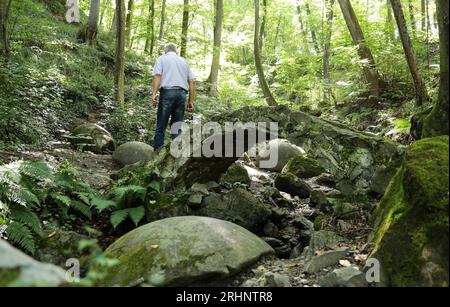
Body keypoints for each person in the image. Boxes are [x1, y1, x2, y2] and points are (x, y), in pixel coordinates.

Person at [152, 44, 196, 150]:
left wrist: (154, 93)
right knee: (176, 126)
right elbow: (192, 81)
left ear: (165, 51)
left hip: (167, 93)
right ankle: (176, 155)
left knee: (161, 125)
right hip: (182, 95)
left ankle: (157, 154)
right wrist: (191, 101)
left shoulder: (161, 59)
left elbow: (157, 76)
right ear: (176, 51)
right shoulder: (184, 61)